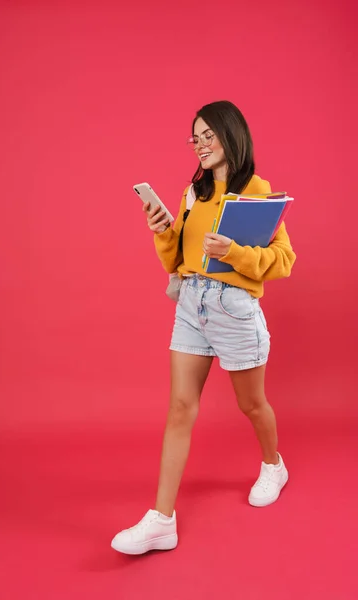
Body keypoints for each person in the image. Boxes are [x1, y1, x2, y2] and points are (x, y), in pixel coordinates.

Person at [111, 100, 296, 555]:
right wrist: (162, 231)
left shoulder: (257, 192)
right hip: (192, 303)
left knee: (251, 404)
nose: (200, 144)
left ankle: (273, 465)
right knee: (179, 407)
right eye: (195, 137)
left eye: (208, 135)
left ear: (232, 134)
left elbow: (283, 261)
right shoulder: (193, 194)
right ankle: (162, 520)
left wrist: (234, 253)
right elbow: (176, 260)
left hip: (235, 308)